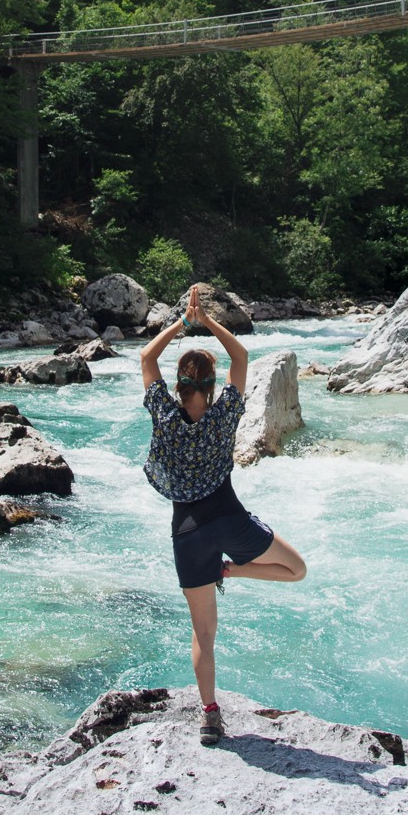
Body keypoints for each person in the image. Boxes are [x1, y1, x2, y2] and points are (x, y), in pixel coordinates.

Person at [139, 282, 306, 745]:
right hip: (230, 520)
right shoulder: (225, 414)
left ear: (178, 385)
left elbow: (146, 360)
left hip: (187, 533)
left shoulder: (164, 415)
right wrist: (208, 321)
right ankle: (230, 572)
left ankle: (210, 714)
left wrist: (179, 324)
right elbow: (242, 359)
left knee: (203, 634)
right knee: (296, 570)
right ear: (212, 387)